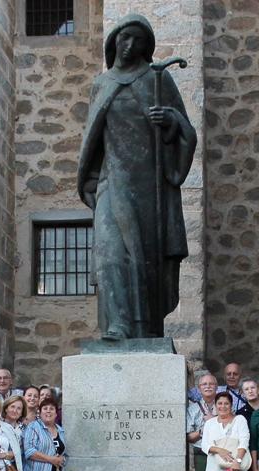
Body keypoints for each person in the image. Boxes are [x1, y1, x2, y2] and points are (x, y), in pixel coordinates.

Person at [77, 13, 196, 340]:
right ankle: (117, 325)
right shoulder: (102, 84)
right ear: (114, 40)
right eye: (125, 38)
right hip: (111, 182)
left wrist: (169, 119)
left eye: (138, 40)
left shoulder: (157, 81)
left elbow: (187, 132)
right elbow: (93, 139)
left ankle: (145, 329)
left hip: (149, 186)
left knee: (144, 259)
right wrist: (89, 181)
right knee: (112, 253)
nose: (129, 45)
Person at [201, 391, 250, 471]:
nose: (223, 406)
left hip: (236, 468)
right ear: (215, 405)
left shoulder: (240, 420)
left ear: (231, 405)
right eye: (220, 403)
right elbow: (204, 446)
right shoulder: (210, 423)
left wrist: (237, 461)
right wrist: (219, 450)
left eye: (226, 403)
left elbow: (244, 441)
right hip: (214, 470)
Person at [23, 397, 66, 471]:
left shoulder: (60, 430)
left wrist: (61, 459)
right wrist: (52, 459)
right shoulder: (33, 427)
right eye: (45, 408)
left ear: (56, 413)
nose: (48, 411)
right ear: (40, 412)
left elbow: (62, 452)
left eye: (51, 409)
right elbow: (29, 451)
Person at [186, 372, 218, 471]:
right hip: (201, 453)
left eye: (211, 384)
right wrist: (202, 431)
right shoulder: (193, 409)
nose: (208, 386)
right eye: (204, 384)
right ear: (199, 388)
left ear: (216, 386)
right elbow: (188, 437)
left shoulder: (224, 405)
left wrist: (214, 420)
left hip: (221, 451)